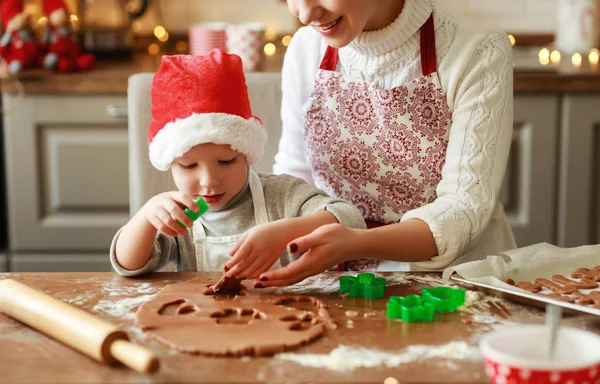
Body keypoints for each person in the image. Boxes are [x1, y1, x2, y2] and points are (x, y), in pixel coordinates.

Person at [240, 0, 516, 286]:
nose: (305, 13)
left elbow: (463, 209)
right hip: (336, 280)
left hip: (453, 283)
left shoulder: (475, 50)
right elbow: (297, 178)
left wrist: (356, 242)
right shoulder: (306, 47)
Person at [110, 51, 365, 278]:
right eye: (189, 166)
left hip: (282, 323)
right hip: (203, 324)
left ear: (246, 154)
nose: (209, 180)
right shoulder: (179, 216)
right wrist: (145, 216)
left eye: (226, 161)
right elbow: (129, 265)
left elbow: (353, 221)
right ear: (171, 164)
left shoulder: (282, 196)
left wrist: (285, 232)